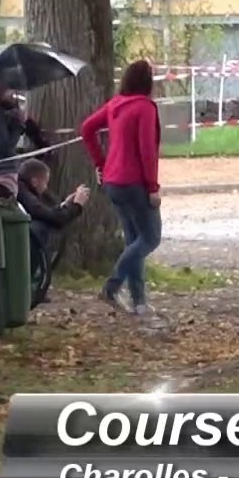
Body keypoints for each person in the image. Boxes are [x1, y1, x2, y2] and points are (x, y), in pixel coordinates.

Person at [79, 60, 164, 318]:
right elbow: (147, 151)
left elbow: (87, 129)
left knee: (133, 240)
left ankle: (139, 302)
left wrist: (100, 163)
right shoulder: (145, 108)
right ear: (147, 82)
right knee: (151, 237)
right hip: (134, 182)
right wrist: (153, 187)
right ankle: (112, 286)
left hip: (113, 182)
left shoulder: (115, 104)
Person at [0, 72, 47, 198]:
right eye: (9, 88)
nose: (13, 93)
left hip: (4, 173)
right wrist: (19, 125)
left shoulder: (2, 114)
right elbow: (4, 147)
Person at [16, 158, 88, 255]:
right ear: (35, 182)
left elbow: (45, 213)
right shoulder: (22, 193)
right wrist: (76, 206)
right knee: (40, 227)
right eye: (45, 183)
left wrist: (64, 205)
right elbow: (53, 219)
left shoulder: (21, 190)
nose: (46, 187)